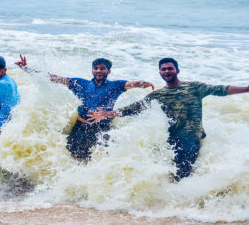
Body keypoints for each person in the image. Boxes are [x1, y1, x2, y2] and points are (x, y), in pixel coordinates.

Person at [88, 57, 249, 181]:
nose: (167, 71)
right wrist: (108, 114)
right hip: (171, 139)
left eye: (170, 68)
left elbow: (220, 89)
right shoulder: (159, 94)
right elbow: (134, 108)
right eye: (163, 69)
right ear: (160, 73)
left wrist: (246, 89)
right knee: (173, 174)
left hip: (191, 137)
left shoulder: (194, 87)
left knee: (183, 173)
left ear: (177, 71)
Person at [15, 54, 154, 161]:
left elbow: (132, 84)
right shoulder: (80, 83)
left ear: (108, 71)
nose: (99, 70)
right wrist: (27, 69)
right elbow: (53, 78)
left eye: (102, 68)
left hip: (102, 127)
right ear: (92, 70)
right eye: (96, 68)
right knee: (75, 157)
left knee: (102, 158)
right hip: (81, 126)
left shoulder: (115, 85)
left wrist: (144, 83)